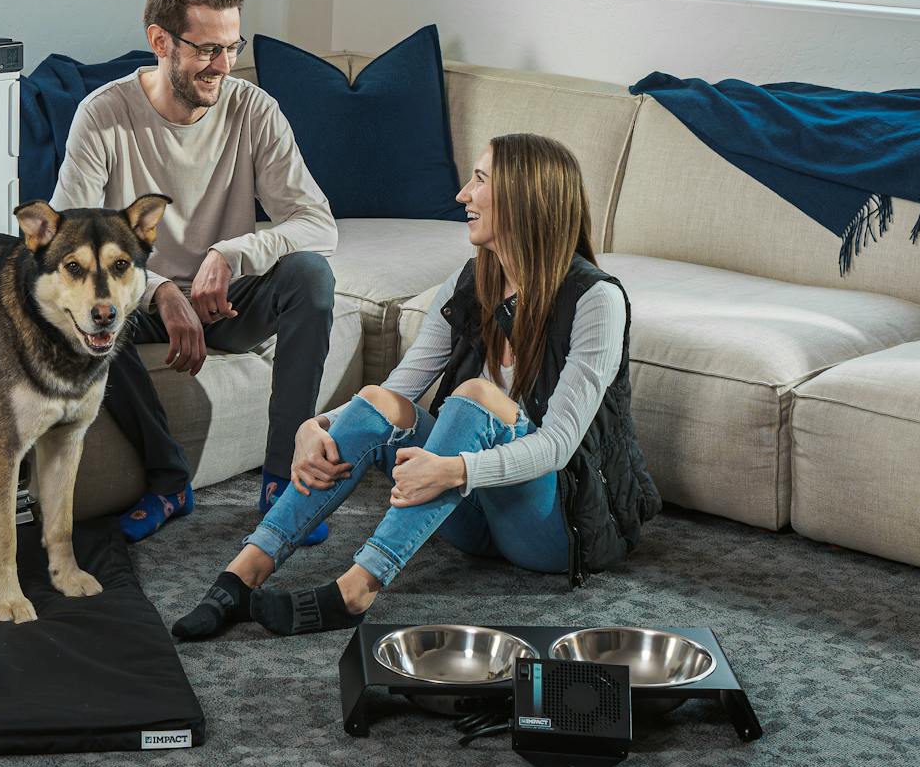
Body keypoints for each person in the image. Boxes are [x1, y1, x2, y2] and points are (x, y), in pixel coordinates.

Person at [172, 133, 659, 641]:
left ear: (524, 194)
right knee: (378, 400)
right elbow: (396, 392)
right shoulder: (472, 281)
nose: (462, 195)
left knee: (475, 397)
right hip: (470, 511)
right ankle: (241, 576)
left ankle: (357, 588)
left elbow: (558, 447)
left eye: (480, 180)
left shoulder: (596, 299)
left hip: (555, 527)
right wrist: (314, 426)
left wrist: (455, 467)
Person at [51, 0, 341, 542]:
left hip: (225, 301)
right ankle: (169, 483)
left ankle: (285, 480)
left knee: (311, 277)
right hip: (143, 307)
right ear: (160, 41)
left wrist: (234, 252)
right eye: (207, 50)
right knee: (87, 314)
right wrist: (155, 286)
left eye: (232, 48)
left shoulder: (253, 109)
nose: (223, 67)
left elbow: (318, 224)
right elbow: (69, 241)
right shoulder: (104, 116)